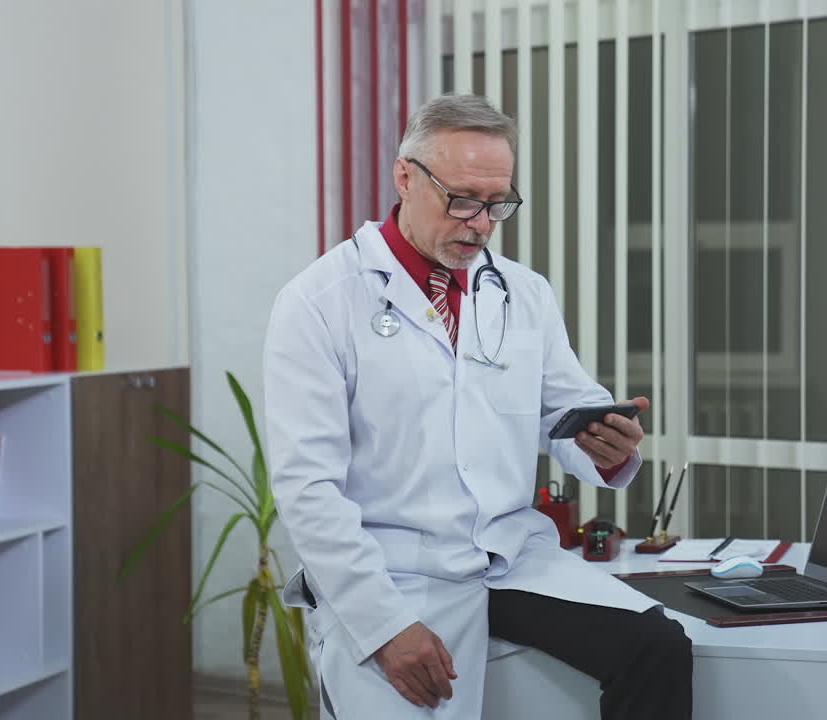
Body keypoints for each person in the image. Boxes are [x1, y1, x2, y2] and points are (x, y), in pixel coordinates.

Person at [263, 93, 692, 719]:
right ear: (405, 177)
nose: (481, 224)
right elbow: (308, 487)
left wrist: (604, 442)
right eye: (463, 200)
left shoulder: (522, 292)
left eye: (498, 205)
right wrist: (383, 625)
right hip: (396, 571)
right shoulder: (319, 302)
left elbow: (564, 409)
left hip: (508, 557)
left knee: (655, 646)